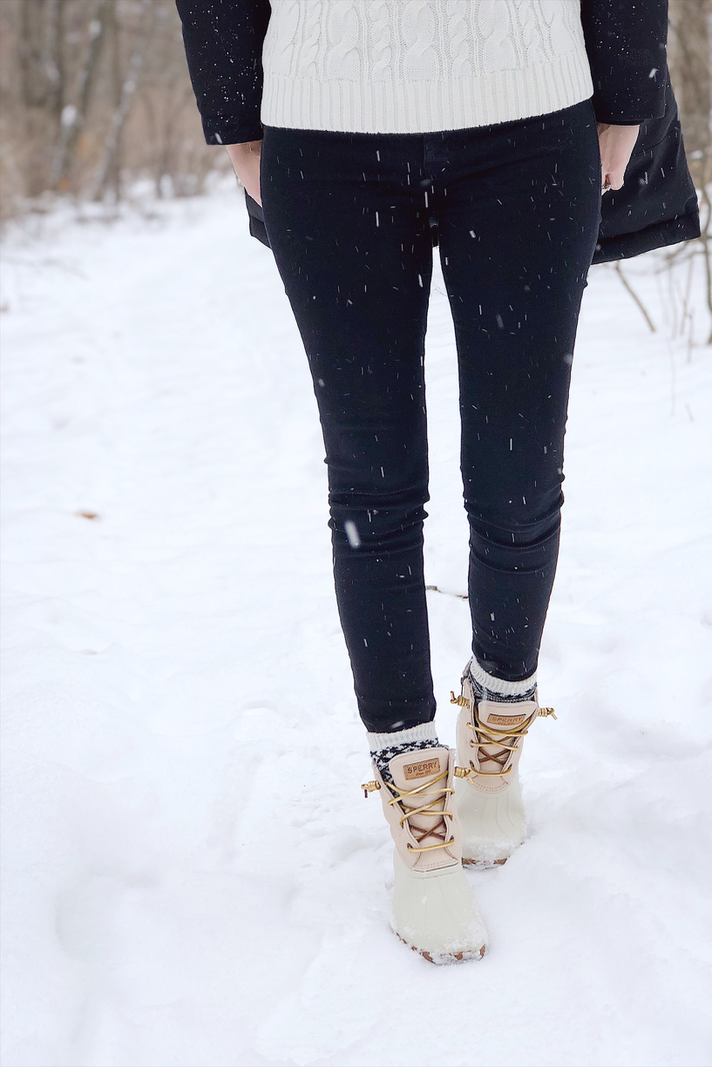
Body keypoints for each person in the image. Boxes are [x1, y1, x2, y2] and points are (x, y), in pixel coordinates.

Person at [177, 0, 683, 965]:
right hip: (326, 129)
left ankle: (497, 721)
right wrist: (238, 117)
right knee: (371, 486)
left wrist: (628, 93)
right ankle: (415, 798)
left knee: (519, 471)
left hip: (531, 117)